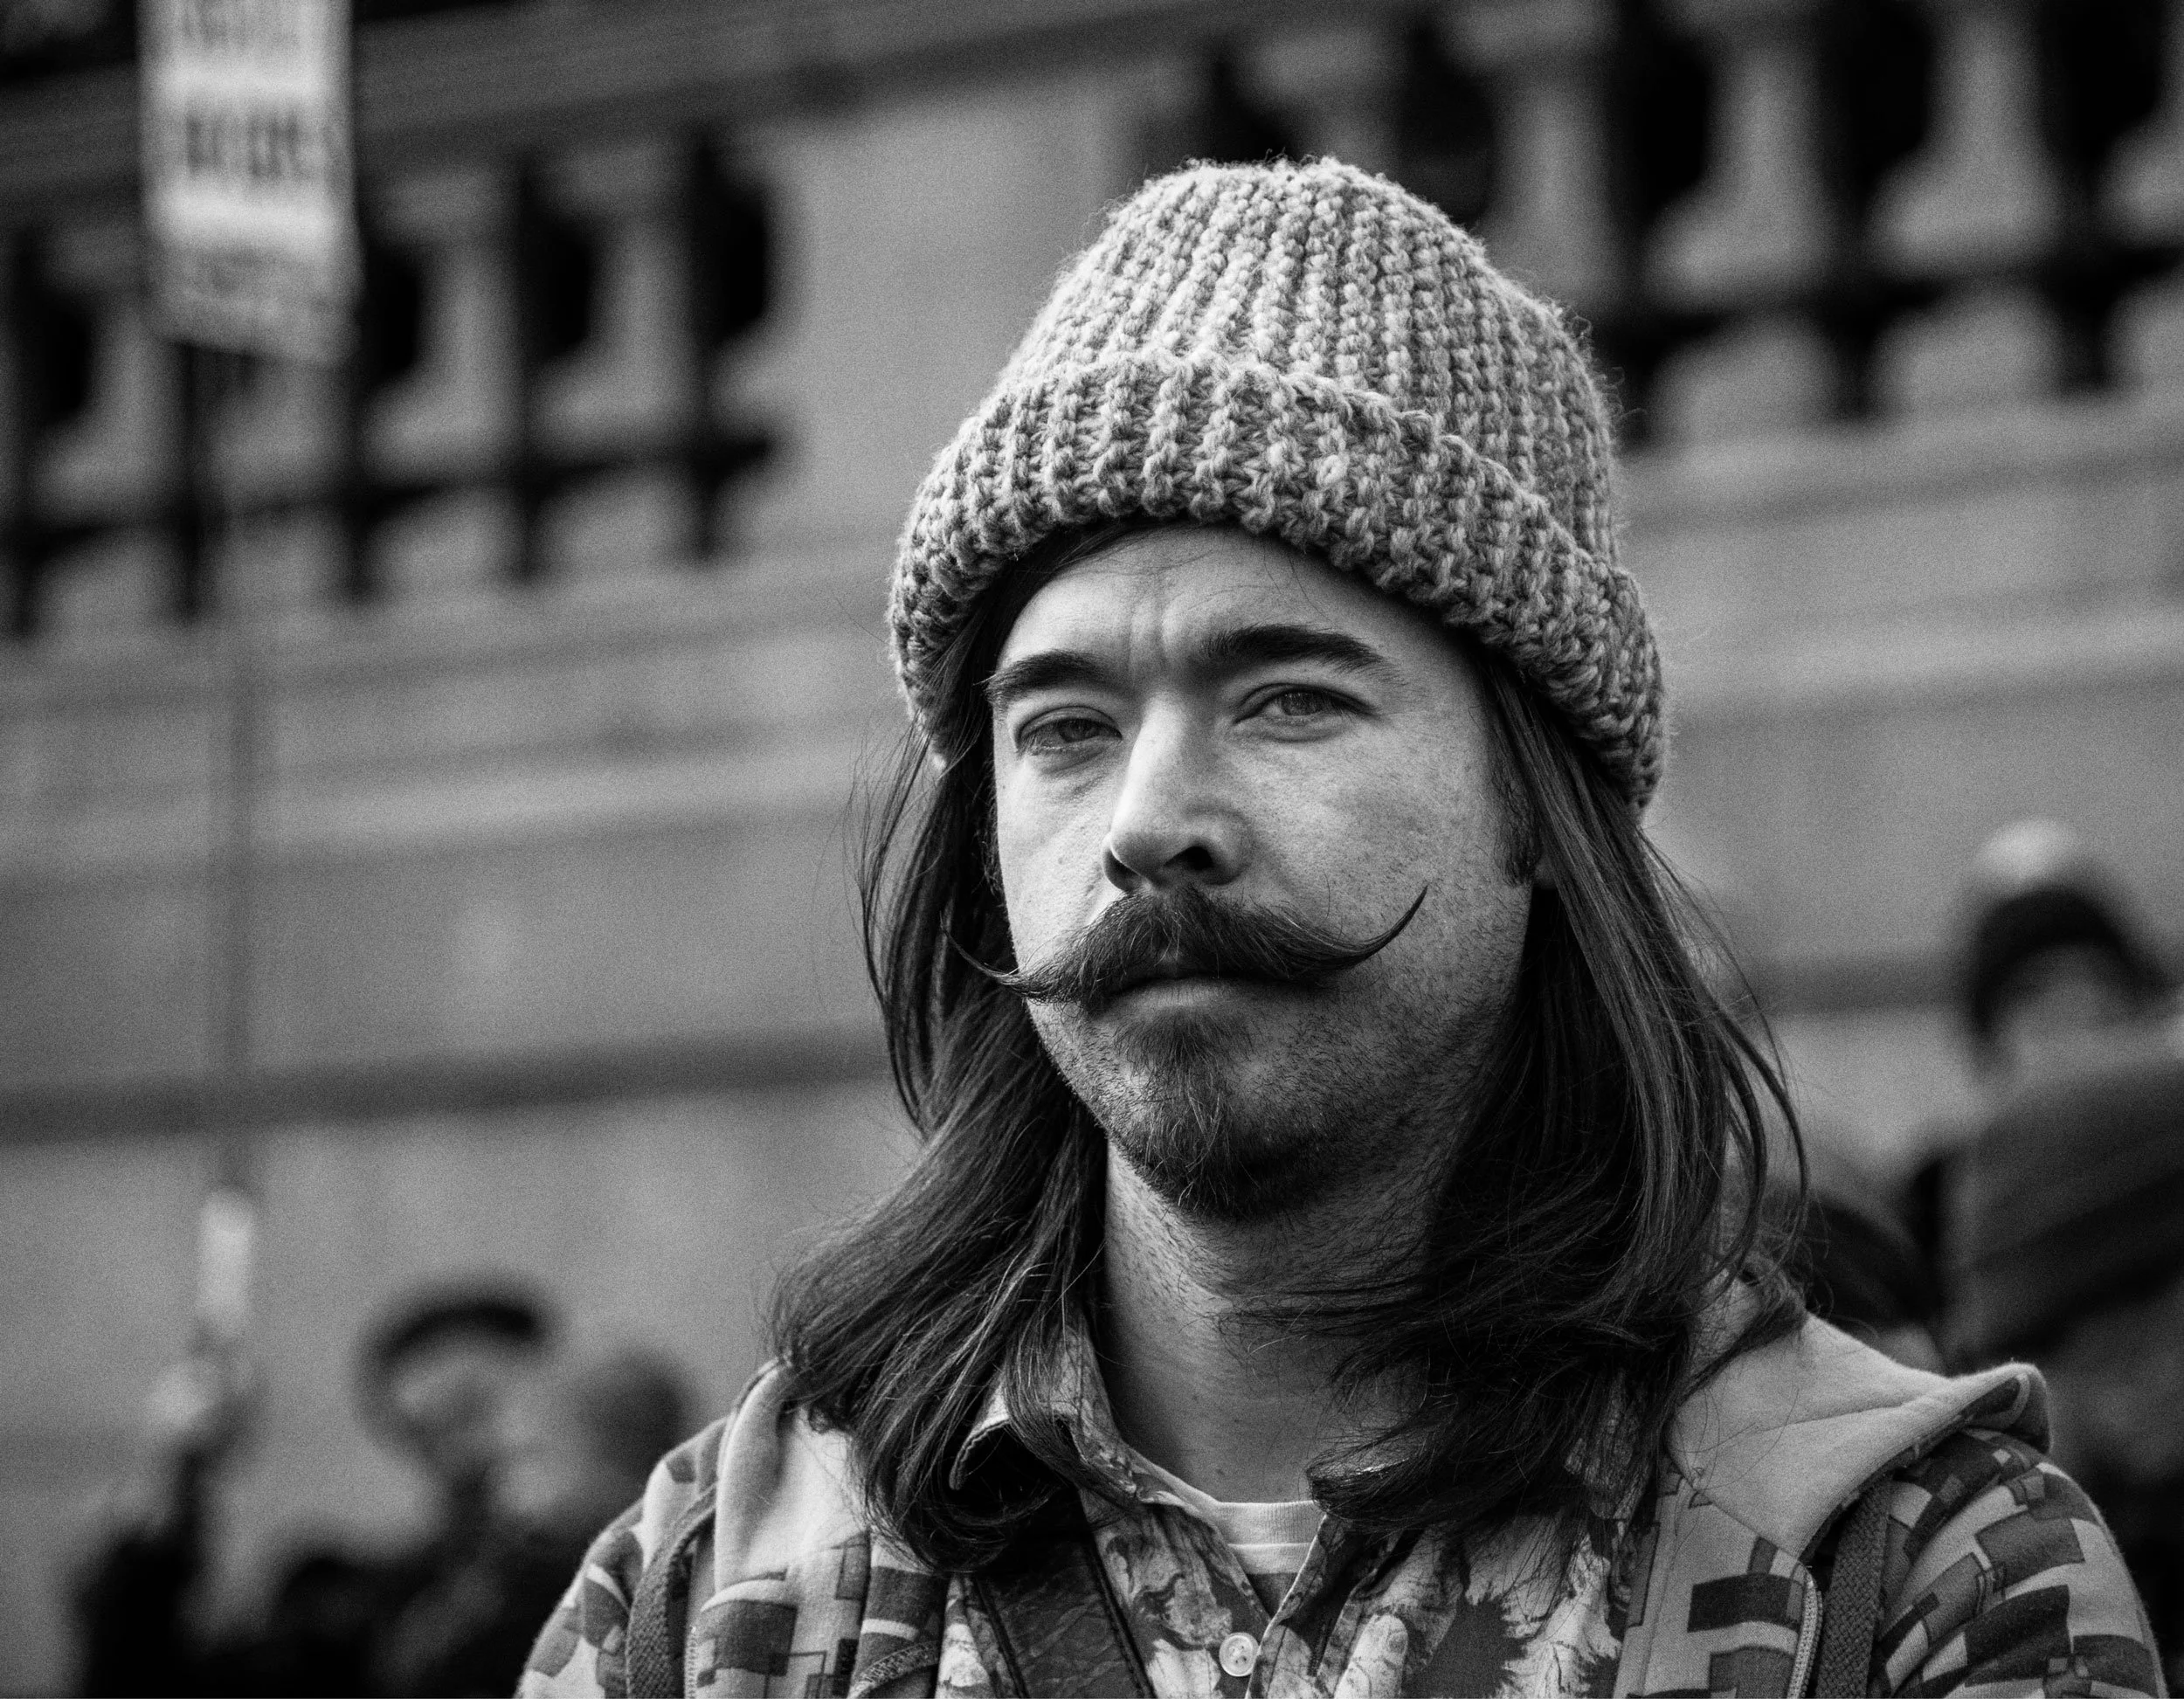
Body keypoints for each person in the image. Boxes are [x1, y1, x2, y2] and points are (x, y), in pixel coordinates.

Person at [523, 160, 2156, 1698]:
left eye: (1291, 697)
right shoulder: (707, 1595)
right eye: (1066, 727)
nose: (1154, 820)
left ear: (1539, 807)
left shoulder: (1911, 1576)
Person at [78, 1280, 557, 1696]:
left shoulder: (621, 1560)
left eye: (476, 1409)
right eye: (427, 1435)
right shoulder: (362, 1610)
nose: (465, 1458)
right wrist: (176, 1482)